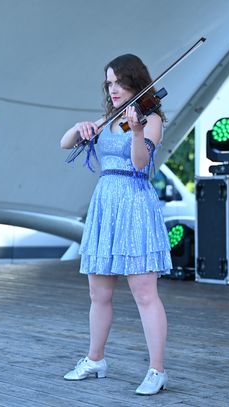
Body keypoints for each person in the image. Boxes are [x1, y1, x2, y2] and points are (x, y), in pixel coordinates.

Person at [60, 54, 172, 395]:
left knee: (144, 293)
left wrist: (137, 131)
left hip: (135, 204)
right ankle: (95, 359)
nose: (113, 89)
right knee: (98, 293)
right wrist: (79, 128)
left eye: (119, 82)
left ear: (134, 81)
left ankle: (157, 370)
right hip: (105, 205)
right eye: (109, 83)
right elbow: (65, 143)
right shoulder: (109, 119)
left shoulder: (150, 119)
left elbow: (140, 164)